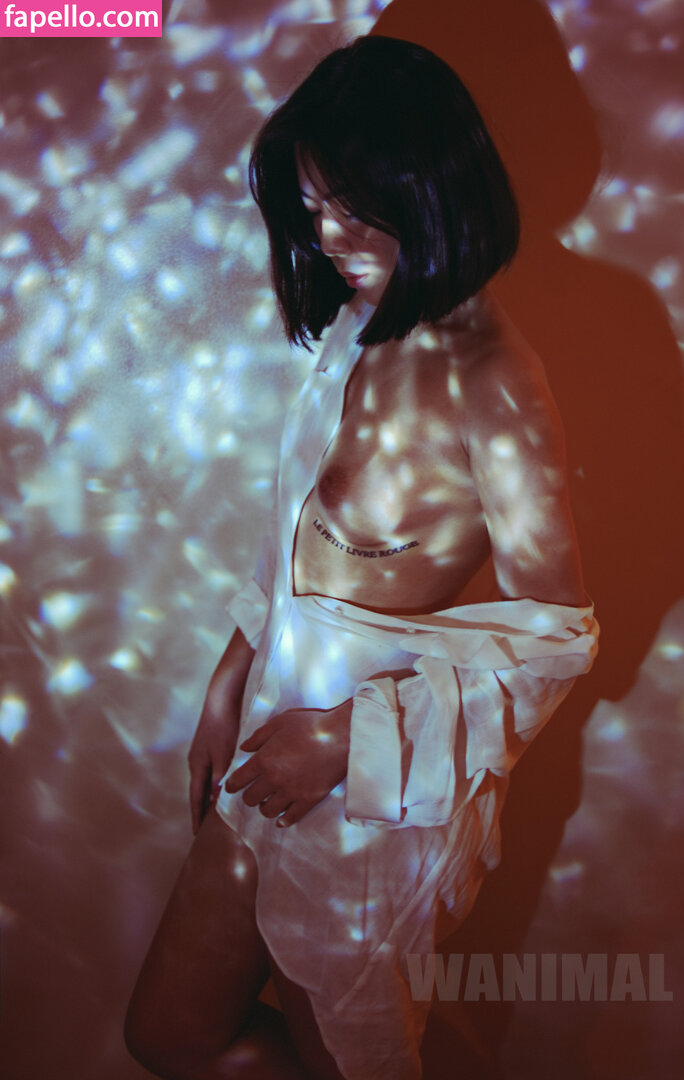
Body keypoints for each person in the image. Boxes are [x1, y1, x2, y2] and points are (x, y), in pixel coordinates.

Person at [125, 35, 598, 1080]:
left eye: (351, 205)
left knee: (357, 1053)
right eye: (310, 206)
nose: (326, 235)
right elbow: (292, 538)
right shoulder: (357, 322)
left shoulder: (493, 379)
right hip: (267, 736)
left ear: (428, 186)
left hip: (369, 784)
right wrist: (227, 682)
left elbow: (555, 640)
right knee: (168, 1036)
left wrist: (343, 740)